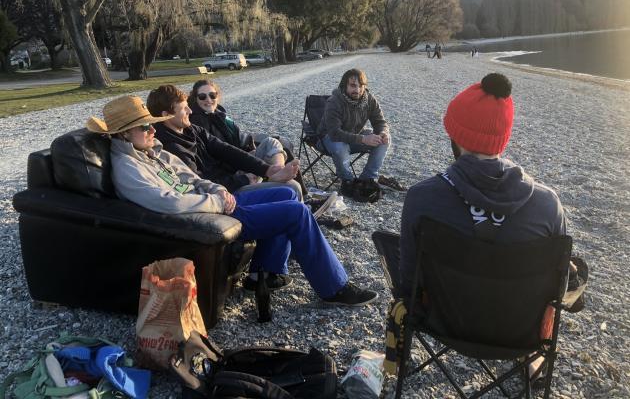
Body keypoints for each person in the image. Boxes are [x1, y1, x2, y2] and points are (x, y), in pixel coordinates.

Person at [86, 95, 378, 307]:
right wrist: (216, 202)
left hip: (212, 204)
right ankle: (334, 288)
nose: (153, 130)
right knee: (297, 212)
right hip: (202, 218)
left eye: (152, 125)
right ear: (124, 134)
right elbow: (169, 203)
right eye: (145, 127)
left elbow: (191, 177)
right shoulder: (128, 168)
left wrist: (218, 190)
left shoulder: (155, 151)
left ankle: (266, 272)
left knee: (287, 191)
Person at [398, 73, 568, 378]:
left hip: (443, 324)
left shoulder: (422, 199)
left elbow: (408, 282)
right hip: (519, 333)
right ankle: (532, 360)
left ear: (456, 137)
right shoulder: (548, 205)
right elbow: (558, 289)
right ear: (503, 137)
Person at [146, 85, 302, 197]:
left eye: (188, 106)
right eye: (183, 109)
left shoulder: (191, 129)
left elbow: (225, 149)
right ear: (166, 115)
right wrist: (243, 179)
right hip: (225, 192)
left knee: (285, 176)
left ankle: (279, 179)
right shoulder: (171, 148)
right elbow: (198, 183)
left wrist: (267, 170)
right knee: (291, 187)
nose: (190, 111)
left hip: (232, 179)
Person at [318, 68, 390, 200]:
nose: (357, 90)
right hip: (327, 140)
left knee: (384, 140)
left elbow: (380, 122)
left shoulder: (369, 100)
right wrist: (363, 139)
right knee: (339, 146)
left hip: (354, 137)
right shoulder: (334, 102)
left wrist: (383, 133)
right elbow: (334, 133)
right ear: (344, 85)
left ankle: (367, 178)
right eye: (352, 85)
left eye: (361, 85)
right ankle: (347, 181)